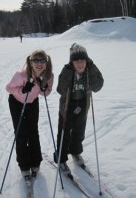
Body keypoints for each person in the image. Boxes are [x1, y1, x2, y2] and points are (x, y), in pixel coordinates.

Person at [54, 43, 104, 175]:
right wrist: (68, 74)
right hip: (67, 106)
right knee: (64, 132)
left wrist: (92, 69)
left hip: (82, 104)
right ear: (72, 62)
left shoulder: (90, 70)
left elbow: (97, 87)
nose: (80, 63)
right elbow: (60, 90)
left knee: (79, 131)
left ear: (87, 60)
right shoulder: (67, 70)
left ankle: (75, 151)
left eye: (82, 60)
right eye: (76, 60)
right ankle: (61, 158)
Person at [6, 50, 54, 182]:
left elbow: (46, 93)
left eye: (42, 61)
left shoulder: (49, 76)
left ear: (46, 62)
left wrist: (44, 89)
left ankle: (35, 161)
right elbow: (9, 88)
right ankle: (24, 164)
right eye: (36, 61)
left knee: (33, 132)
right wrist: (22, 89)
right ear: (30, 62)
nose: (39, 64)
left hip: (32, 102)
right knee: (21, 132)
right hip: (17, 102)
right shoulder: (21, 74)